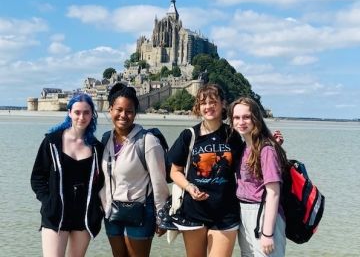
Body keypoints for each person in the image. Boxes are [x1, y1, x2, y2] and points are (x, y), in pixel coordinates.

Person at [168, 84, 242, 257]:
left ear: (223, 104)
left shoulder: (232, 135)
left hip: (225, 212)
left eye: (213, 102)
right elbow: (174, 171)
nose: (208, 107)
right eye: (203, 103)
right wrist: (189, 187)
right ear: (198, 107)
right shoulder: (189, 135)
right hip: (194, 212)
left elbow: (246, 168)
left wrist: (272, 145)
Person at [99, 83, 169, 257]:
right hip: (112, 211)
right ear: (110, 110)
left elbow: (159, 183)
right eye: (119, 109)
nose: (123, 115)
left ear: (135, 113)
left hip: (141, 211)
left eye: (129, 111)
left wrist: (162, 217)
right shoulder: (106, 139)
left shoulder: (148, 141)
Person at [30, 93, 104, 257]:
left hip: (84, 216)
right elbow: (37, 178)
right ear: (69, 112)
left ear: (92, 115)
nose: (81, 117)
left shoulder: (97, 148)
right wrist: (48, 201)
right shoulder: (52, 141)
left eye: (86, 112)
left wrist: (98, 209)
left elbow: (102, 183)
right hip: (56, 213)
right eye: (77, 112)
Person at [229, 97, 287, 257]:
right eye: (236, 117)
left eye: (246, 117)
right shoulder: (244, 147)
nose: (241, 122)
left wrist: (268, 234)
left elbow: (274, 193)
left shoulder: (266, 149)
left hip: (263, 213)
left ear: (256, 118)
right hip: (244, 213)